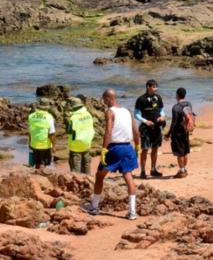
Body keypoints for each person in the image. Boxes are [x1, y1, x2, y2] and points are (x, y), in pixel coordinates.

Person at [83, 89, 140, 220]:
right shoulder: (127, 111)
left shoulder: (110, 112)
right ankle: (132, 212)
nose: (103, 102)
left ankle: (94, 207)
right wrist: (137, 145)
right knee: (128, 176)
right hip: (128, 147)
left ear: (108, 98)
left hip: (115, 148)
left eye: (104, 99)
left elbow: (108, 131)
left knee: (100, 175)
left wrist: (104, 150)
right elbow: (136, 131)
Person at [135, 79, 166, 179]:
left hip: (157, 127)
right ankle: (143, 171)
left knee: (155, 148)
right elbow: (136, 114)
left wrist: (162, 116)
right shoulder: (141, 99)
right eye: (154, 86)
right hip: (145, 128)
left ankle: (153, 169)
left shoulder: (158, 97)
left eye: (156, 86)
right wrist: (145, 121)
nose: (156, 88)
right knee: (145, 149)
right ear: (148, 87)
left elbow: (162, 110)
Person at [165, 87, 195, 178]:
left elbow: (173, 123)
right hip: (185, 131)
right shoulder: (188, 104)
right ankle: (184, 169)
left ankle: (181, 171)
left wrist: (168, 134)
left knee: (179, 153)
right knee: (185, 152)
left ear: (177, 95)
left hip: (177, 133)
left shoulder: (176, 107)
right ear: (184, 95)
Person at [66, 96, 95, 174]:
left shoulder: (73, 118)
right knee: (86, 165)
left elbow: (69, 131)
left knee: (76, 169)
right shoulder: (88, 114)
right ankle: (88, 180)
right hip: (87, 144)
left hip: (76, 146)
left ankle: (77, 180)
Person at [28, 98, 56, 170]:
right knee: (43, 163)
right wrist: (54, 146)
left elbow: (30, 131)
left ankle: (37, 174)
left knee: (37, 162)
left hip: (34, 143)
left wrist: (29, 142)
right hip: (44, 144)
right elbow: (52, 133)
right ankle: (41, 174)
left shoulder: (31, 116)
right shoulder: (49, 117)